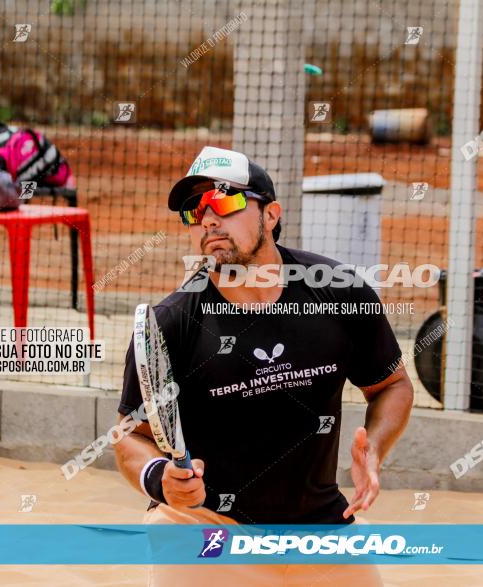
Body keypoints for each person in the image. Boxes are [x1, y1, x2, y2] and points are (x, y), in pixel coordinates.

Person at [113, 146, 414, 585]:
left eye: (226, 201)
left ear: (271, 214)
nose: (208, 219)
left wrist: (375, 451)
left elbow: (392, 385)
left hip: (320, 527)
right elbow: (129, 435)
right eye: (195, 211)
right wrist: (159, 478)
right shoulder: (172, 322)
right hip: (206, 528)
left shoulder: (339, 291)